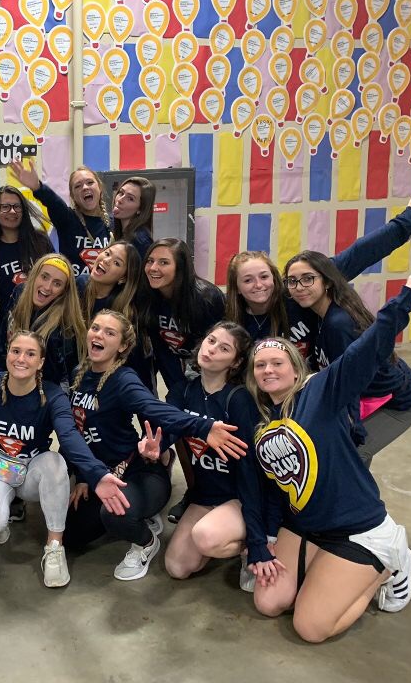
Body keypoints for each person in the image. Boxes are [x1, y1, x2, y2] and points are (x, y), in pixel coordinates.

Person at [242, 265, 411, 643]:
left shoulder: (320, 392)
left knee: (310, 627)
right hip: (305, 525)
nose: (268, 369)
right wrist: (267, 537)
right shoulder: (263, 421)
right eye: (260, 365)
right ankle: (330, 571)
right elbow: (279, 487)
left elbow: (366, 349)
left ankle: (389, 563)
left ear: (296, 370)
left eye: (278, 362)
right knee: (269, 602)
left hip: (356, 528)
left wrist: (407, 296)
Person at [63, 312, 249, 582]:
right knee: (74, 535)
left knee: (119, 514)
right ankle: (145, 512)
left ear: (123, 346)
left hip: (152, 476)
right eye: (95, 328)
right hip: (195, 494)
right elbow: (81, 432)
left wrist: (203, 427)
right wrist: (156, 446)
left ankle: (148, 539)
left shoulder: (238, 399)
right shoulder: (79, 375)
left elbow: (155, 410)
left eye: (110, 333)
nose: (99, 335)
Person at [0, 330, 130, 588]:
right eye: (16, 351)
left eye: (30, 354)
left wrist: (96, 474)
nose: (21, 359)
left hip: (31, 471)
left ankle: (54, 547)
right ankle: (2, 511)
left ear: (40, 362)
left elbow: (69, 436)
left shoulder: (53, 396)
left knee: (55, 463)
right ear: (7, 354)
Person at [135, 321, 263, 591]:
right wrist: (157, 448)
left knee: (205, 537)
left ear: (236, 362)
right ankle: (219, 534)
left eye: (224, 348)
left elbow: (250, 469)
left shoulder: (239, 399)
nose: (212, 349)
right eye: (211, 340)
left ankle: (247, 548)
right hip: (204, 496)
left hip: (237, 497)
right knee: (177, 568)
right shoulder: (183, 390)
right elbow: (167, 429)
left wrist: (256, 538)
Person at [224, 196, 411, 348]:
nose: (259, 285)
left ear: (275, 277)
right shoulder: (230, 317)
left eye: (264, 276)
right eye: (248, 280)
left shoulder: (299, 288)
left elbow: (361, 253)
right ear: (237, 287)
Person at [284, 251, 411, 465]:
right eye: (292, 281)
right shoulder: (317, 314)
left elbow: (350, 384)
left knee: (350, 457)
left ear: (327, 281)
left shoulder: (338, 324)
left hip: (398, 401)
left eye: (308, 278)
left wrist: (353, 430)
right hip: (371, 395)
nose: (299, 287)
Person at [138, 238, 226, 522]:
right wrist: (178, 388)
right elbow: (162, 349)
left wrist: (204, 385)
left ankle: (223, 495)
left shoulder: (207, 298)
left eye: (163, 262)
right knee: (179, 427)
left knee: (210, 432)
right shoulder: (149, 297)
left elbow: (223, 344)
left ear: (181, 267)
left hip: (214, 375)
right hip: (179, 375)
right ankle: (194, 492)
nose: (153, 268)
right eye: (150, 261)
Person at [8, 160, 111, 276]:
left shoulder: (113, 223)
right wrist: (37, 187)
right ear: (73, 196)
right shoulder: (67, 218)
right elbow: (53, 202)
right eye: (78, 186)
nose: (85, 187)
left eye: (90, 182)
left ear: (100, 187)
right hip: (73, 286)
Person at [0, 253, 87, 387]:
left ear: (64, 292)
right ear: (34, 275)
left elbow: (60, 380)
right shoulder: (19, 293)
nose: (47, 287)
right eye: (44, 277)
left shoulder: (63, 327)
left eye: (57, 284)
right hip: (8, 378)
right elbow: (1, 347)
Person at [0, 185, 53, 326]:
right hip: (11, 323)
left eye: (17, 206)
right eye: (5, 207)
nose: (12, 211)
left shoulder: (40, 240)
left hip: (45, 320)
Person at [76, 241, 142, 323]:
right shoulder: (80, 283)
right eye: (107, 254)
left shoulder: (124, 312)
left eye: (116, 263)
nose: (106, 260)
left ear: (123, 278)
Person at [110, 176, 156, 260]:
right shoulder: (113, 224)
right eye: (121, 193)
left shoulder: (140, 241)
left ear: (140, 209)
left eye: (130, 199)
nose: (120, 200)